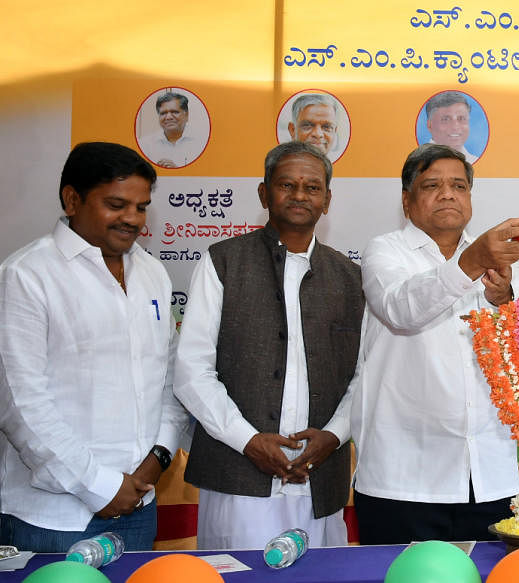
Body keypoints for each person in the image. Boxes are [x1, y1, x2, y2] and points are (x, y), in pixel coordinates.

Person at [172, 141, 362, 549]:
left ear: (327, 200)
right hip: (237, 478)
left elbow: (364, 374)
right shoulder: (222, 261)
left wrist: (333, 435)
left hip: (321, 481)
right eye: (286, 185)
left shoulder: (349, 276)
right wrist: (247, 440)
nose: (299, 195)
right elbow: (191, 371)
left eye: (312, 188)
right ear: (264, 193)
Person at [0, 142, 188, 551]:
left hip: (141, 507)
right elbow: (20, 405)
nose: (132, 219)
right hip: (54, 519)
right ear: (72, 199)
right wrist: (100, 486)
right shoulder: (26, 276)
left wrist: (157, 459)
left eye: (141, 207)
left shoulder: (153, 273)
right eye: (117, 204)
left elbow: (170, 378)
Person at [350, 144, 519, 544]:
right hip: (403, 479)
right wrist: (471, 261)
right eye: (432, 185)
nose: (448, 193)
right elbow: (401, 309)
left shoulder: (503, 263)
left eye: (458, 185)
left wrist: (504, 298)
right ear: (407, 201)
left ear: (470, 197)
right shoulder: (384, 251)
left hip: (487, 474)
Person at [141, 91, 203, 168]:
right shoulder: (145, 145)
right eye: (163, 113)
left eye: (174, 112)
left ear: (186, 115)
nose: (168, 117)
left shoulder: (201, 143)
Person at [424, 91, 479, 163]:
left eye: (461, 118)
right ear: (430, 125)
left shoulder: (475, 161)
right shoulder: (418, 163)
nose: (455, 127)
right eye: (446, 119)